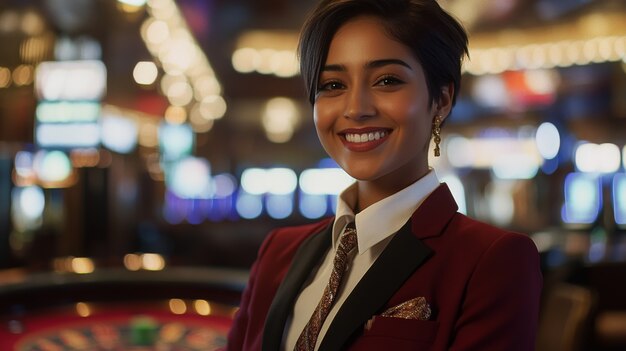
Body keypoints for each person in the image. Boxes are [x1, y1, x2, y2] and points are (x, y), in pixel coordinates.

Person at [225, 0, 543, 350]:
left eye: (387, 80)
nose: (356, 108)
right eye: (332, 85)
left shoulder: (492, 260)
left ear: (442, 99)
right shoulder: (278, 251)